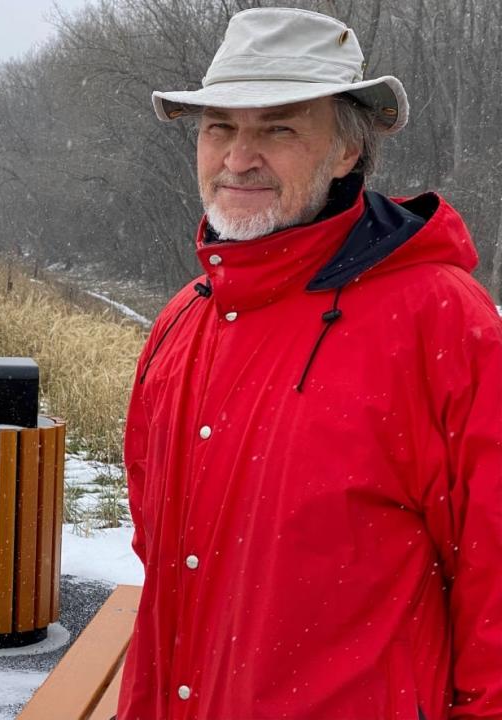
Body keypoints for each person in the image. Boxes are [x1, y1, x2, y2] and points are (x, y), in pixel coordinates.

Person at [118, 7, 502, 720]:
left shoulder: (440, 320)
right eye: (220, 127)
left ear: (347, 150)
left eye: (279, 127)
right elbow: (157, 542)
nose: (238, 157)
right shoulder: (182, 320)